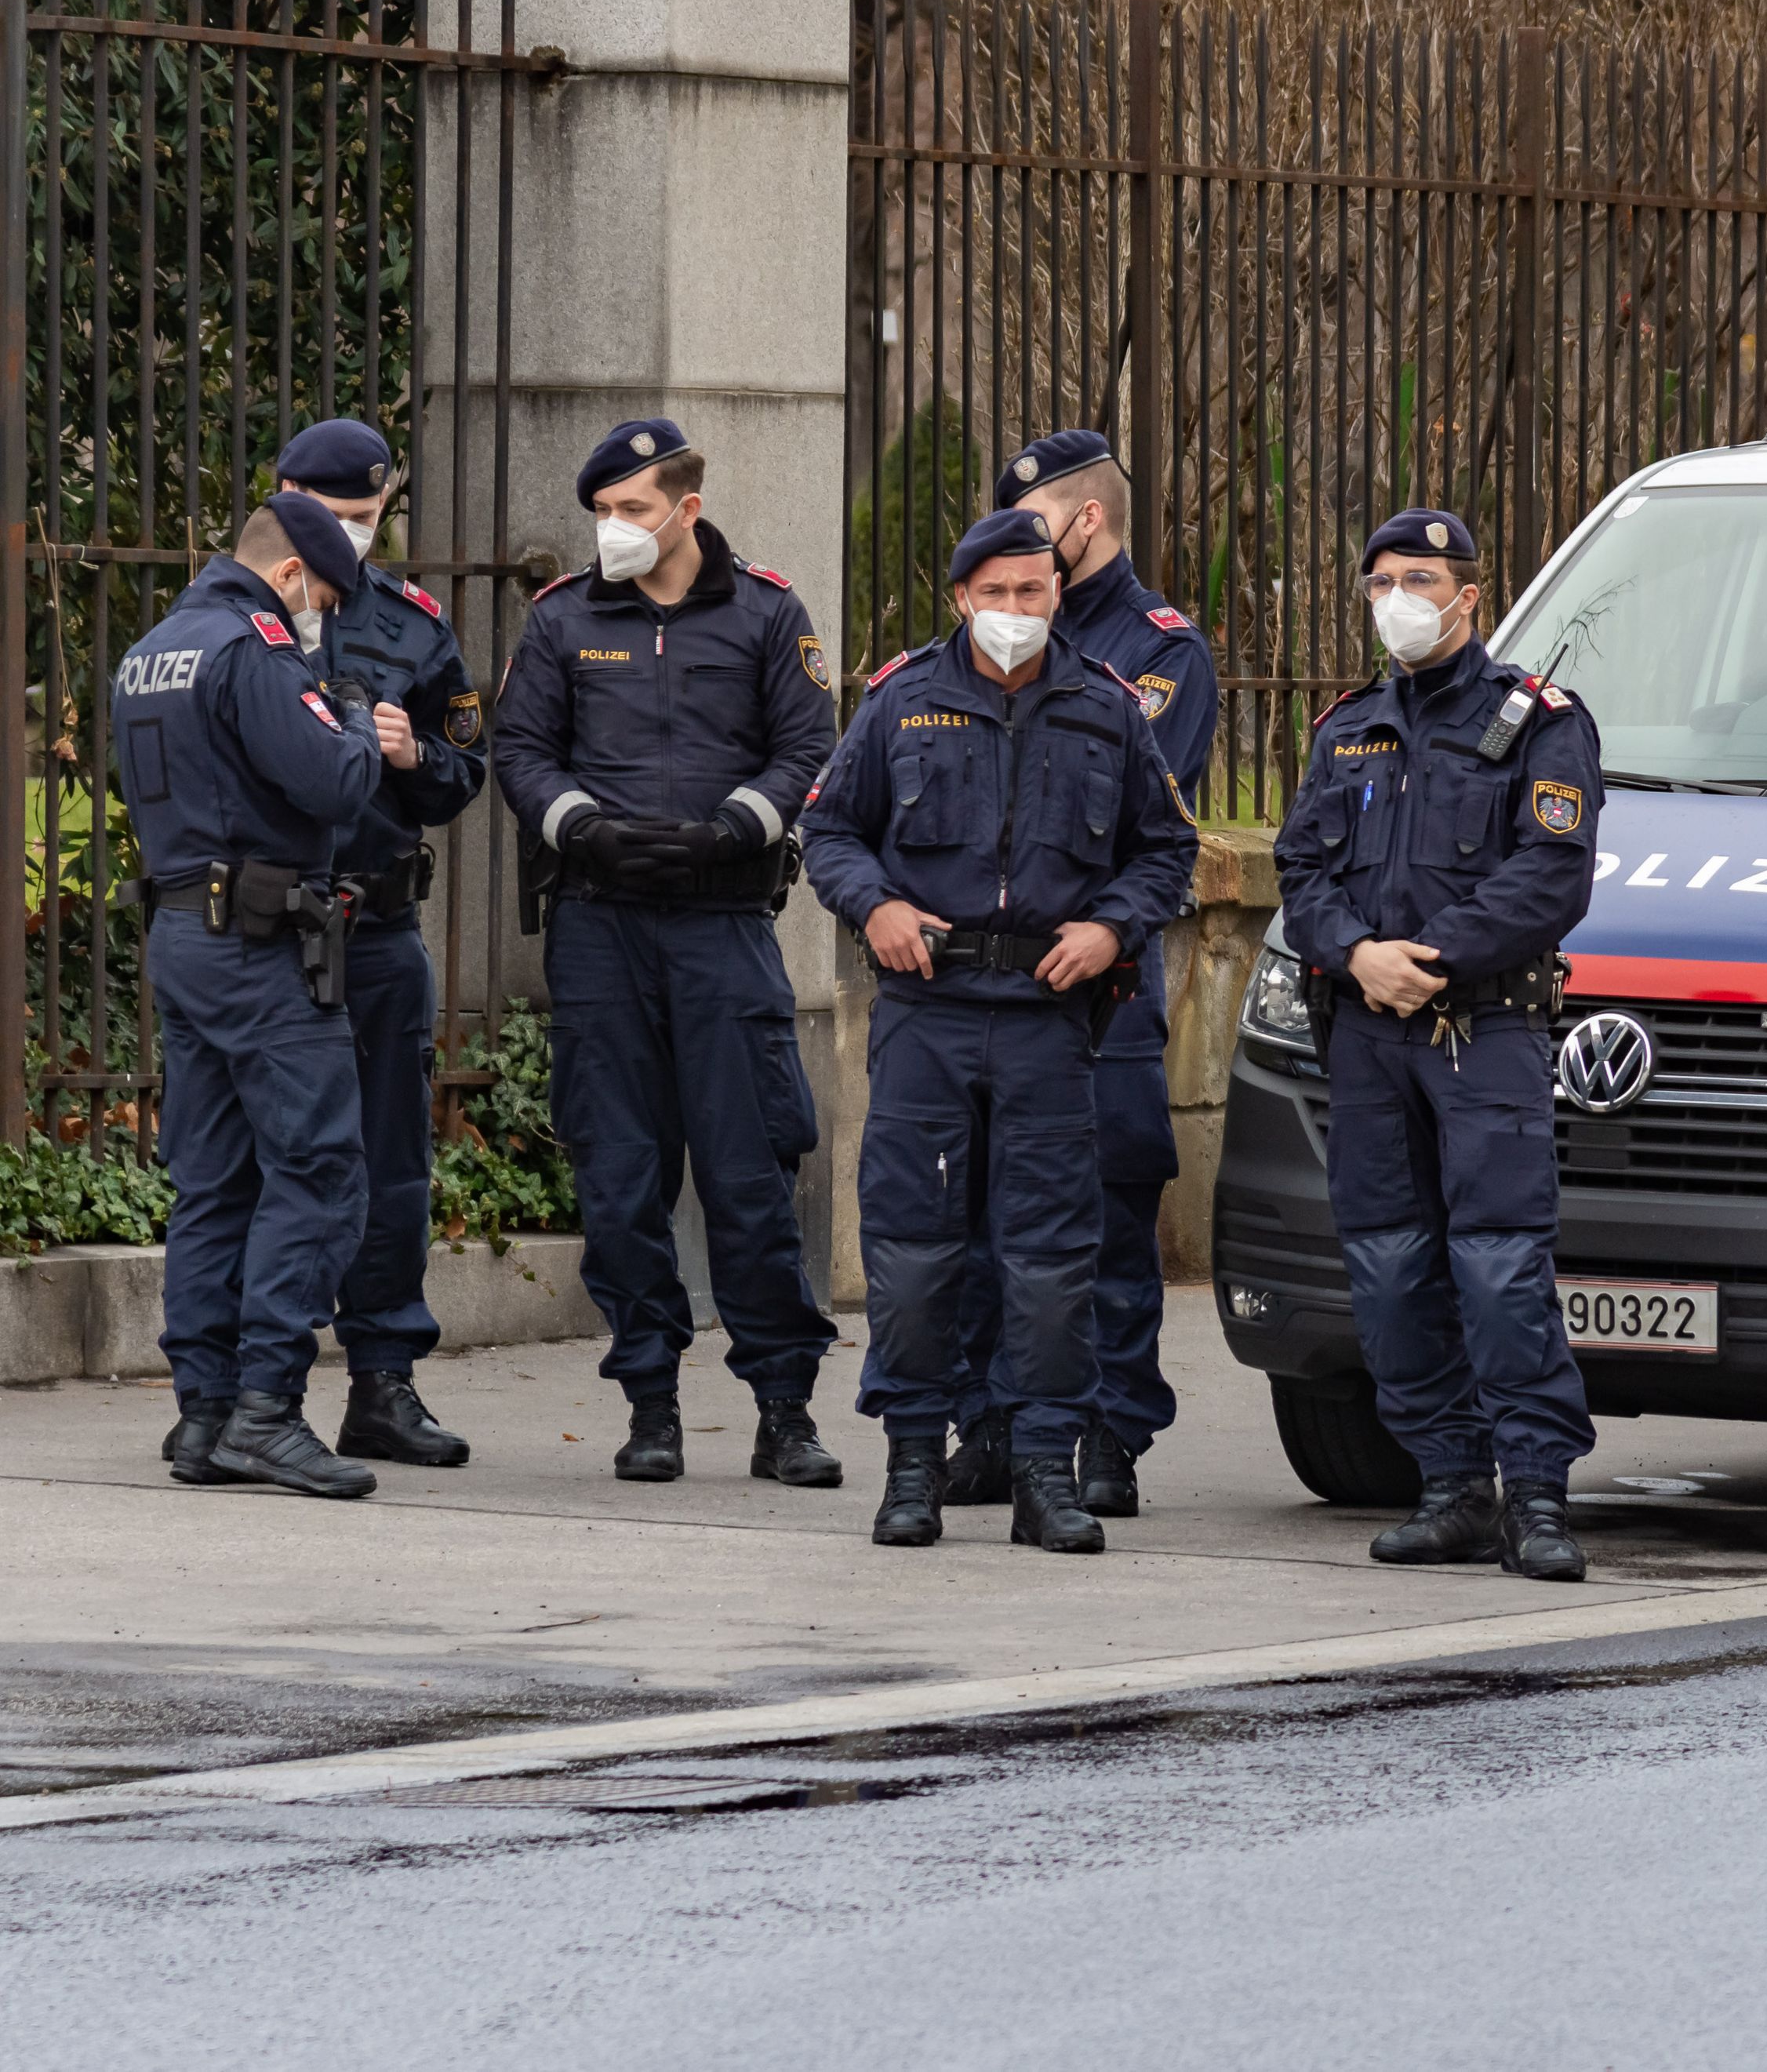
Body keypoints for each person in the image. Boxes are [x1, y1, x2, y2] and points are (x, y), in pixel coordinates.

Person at [802, 507, 1198, 1552]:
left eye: (1032, 590)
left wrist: (1112, 929)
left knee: (1052, 1257)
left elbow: (1166, 850)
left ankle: (1044, 1470)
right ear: (961, 597)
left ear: (1057, 593)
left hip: (1048, 1021)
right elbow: (828, 829)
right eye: (995, 593)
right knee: (914, 1252)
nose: (1014, 610)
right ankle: (913, 1467)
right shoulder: (899, 701)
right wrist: (875, 907)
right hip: (928, 1011)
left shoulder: (1107, 709)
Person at [493, 418, 842, 1489]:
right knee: (619, 1179)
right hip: (601, 928)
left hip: (721, 927)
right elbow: (520, 748)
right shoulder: (563, 618)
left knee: (750, 1176)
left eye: (632, 509)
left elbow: (809, 745)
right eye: (602, 511)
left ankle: (784, 1410)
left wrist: (736, 826)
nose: (613, 527)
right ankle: (651, 1404)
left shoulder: (768, 612)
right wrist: (579, 826)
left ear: (687, 508)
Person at [1271, 508, 1604, 1581]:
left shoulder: (1540, 720)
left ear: (1469, 594)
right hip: (1368, 1034)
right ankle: (1451, 1485)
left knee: (1499, 1264)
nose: (1396, 600)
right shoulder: (1347, 727)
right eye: (1379, 583)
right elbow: (1300, 869)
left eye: (1418, 579)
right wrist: (1356, 954)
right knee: (1389, 1265)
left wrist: (1433, 957)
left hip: (1483, 1029)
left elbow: (1551, 874)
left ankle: (1537, 1495)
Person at [916, 431, 1219, 1517]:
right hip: (985, 993)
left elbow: (1139, 818)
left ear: (1086, 521)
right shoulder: (970, 649)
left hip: (1102, 988)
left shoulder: (1161, 653)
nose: (1014, 567)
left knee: (1107, 1216)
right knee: (982, 1215)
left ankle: (1109, 1434)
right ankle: (993, 1423)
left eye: (1035, 529)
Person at [116, 494, 393, 1496]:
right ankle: (267, 1411)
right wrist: (354, 714)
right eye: (324, 595)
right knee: (318, 1170)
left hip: (185, 933)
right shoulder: (253, 648)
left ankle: (205, 1413)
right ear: (286, 576)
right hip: (261, 943)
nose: (324, 614)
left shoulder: (153, 649)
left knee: (215, 1181)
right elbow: (334, 783)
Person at [275, 418, 490, 1470]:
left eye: (369, 516)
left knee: (394, 1165)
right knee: (268, 1159)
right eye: (336, 514)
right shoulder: (235, 614)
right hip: (272, 929)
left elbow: (466, 767)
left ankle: (383, 1382)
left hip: (379, 925)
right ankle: (249, 1388)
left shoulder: (411, 625)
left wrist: (414, 760)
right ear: (284, 497)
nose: (354, 534)